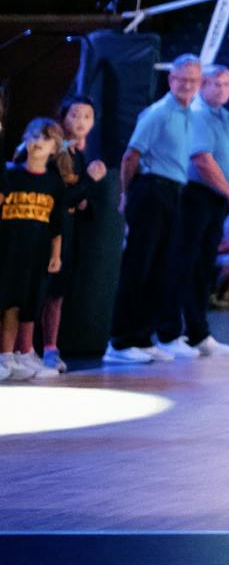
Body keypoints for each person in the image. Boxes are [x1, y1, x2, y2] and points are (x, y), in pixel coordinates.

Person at [107, 53, 203, 364]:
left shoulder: (189, 113)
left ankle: (142, 337)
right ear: (171, 80)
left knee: (161, 268)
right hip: (150, 191)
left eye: (193, 80)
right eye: (182, 79)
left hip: (173, 192)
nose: (187, 85)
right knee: (139, 266)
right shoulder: (158, 113)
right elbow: (130, 157)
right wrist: (127, 195)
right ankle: (120, 342)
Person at [161, 64, 229, 358]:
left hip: (218, 200)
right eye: (217, 84)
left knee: (203, 267)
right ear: (204, 85)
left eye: (227, 84)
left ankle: (199, 333)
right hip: (195, 196)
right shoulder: (197, 114)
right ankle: (170, 333)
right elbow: (202, 160)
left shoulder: (227, 117)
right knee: (182, 265)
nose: (223, 90)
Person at [34, 97, 107, 373]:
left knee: (57, 292)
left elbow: (78, 199)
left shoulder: (79, 153)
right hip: (48, 230)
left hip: (69, 231)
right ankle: (23, 349)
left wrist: (87, 196)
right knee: (39, 290)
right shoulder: (57, 152)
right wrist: (88, 180)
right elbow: (62, 195)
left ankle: (50, 348)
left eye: (87, 117)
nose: (81, 122)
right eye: (75, 115)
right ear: (63, 117)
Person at [1, 119, 65, 382]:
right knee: (8, 303)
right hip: (9, 250)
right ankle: (5, 356)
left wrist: (56, 255)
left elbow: (56, 225)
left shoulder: (54, 183)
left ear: (54, 148)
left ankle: (21, 355)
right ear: (25, 138)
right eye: (35, 135)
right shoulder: (9, 174)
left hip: (36, 253)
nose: (38, 141)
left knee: (29, 303)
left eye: (46, 138)